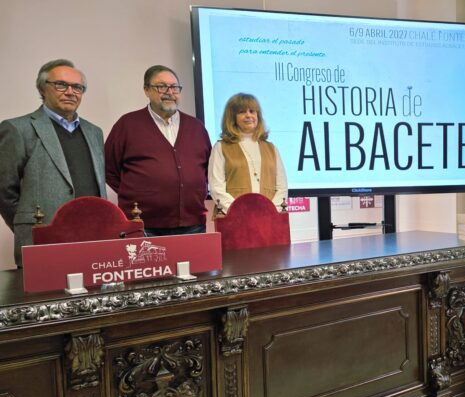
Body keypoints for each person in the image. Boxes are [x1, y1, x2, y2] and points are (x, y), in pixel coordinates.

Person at [0, 59, 106, 266]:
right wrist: (29, 225)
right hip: (43, 240)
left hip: (93, 238)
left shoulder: (94, 132)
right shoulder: (17, 129)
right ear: (42, 88)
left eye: (77, 87)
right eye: (60, 85)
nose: (70, 92)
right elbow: (4, 190)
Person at [105, 65, 211, 236]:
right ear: (146, 90)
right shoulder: (127, 124)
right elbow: (109, 169)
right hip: (143, 224)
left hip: (192, 223)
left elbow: (207, 169)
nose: (170, 92)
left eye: (175, 87)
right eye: (161, 87)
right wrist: (138, 193)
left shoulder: (196, 127)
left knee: (194, 264)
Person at [209, 93, 287, 213]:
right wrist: (240, 211)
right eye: (242, 112)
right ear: (232, 117)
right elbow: (216, 188)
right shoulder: (221, 147)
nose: (248, 115)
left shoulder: (271, 149)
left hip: (269, 218)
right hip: (235, 219)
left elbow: (282, 187)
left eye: (252, 111)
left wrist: (270, 211)